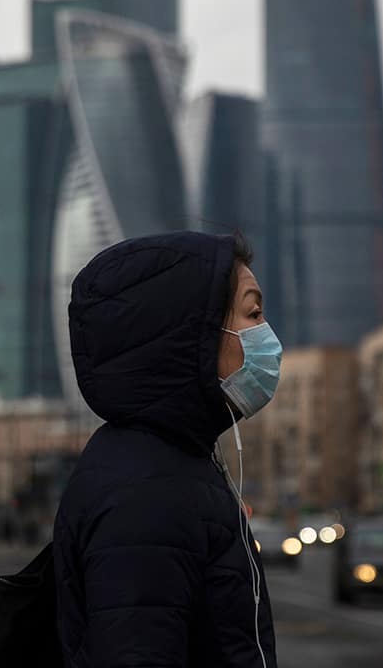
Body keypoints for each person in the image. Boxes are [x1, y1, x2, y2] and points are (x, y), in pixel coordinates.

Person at [52, 232, 280, 667]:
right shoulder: (147, 493)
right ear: (192, 334)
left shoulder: (165, 463)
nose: (267, 335)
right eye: (253, 313)